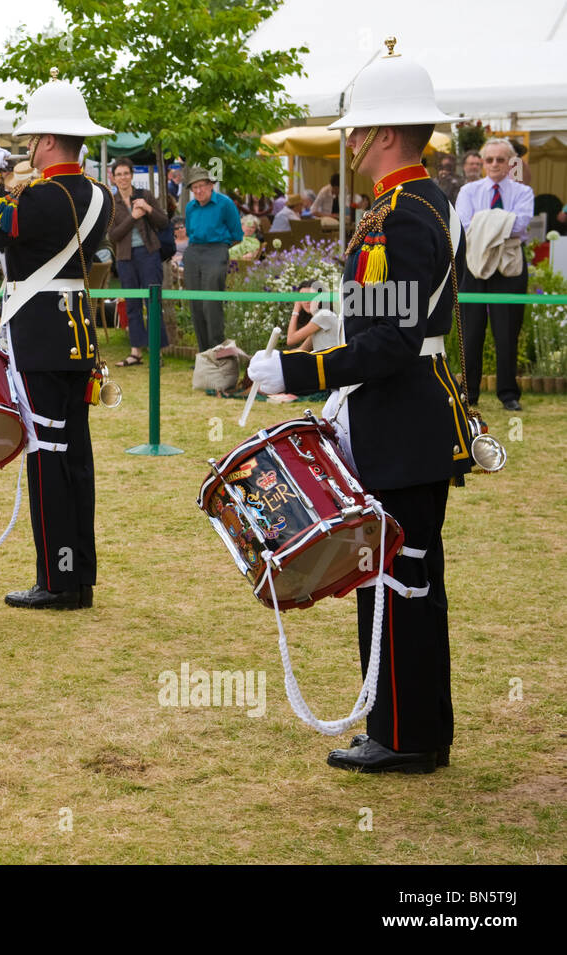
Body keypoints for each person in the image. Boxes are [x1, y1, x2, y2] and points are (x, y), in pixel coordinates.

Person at [248, 39, 471, 775]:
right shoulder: (414, 203)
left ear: (381, 134)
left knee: (399, 579)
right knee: (404, 575)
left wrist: (298, 366)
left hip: (402, 418)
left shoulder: (402, 214)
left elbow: (394, 346)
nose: (350, 144)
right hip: (405, 415)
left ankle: (403, 735)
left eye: (356, 131)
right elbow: (389, 326)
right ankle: (414, 728)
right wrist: (335, 329)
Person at [0, 69, 114, 610]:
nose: (27, 148)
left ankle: (57, 580)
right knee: (77, 456)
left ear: (46, 140)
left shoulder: (43, 197)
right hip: (75, 330)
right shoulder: (100, 195)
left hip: (39, 331)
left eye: (30, 140)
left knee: (47, 455)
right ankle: (79, 574)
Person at [455, 137, 534, 411]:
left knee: (507, 333)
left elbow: (522, 225)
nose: (494, 164)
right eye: (489, 159)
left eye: (501, 159)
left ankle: (508, 394)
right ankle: (469, 393)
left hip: (509, 269)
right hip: (474, 266)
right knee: (471, 333)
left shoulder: (523, 193)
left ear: (511, 162)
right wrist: (500, 222)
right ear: (483, 162)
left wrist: (483, 222)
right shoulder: (468, 191)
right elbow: (465, 226)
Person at [108, 155, 168, 367]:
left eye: (126, 173)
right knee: (132, 305)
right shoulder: (111, 203)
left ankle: (157, 352)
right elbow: (113, 236)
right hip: (126, 258)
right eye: (118, 174)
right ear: (113, 178)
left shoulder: (145, 195)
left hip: (149, 254)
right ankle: (136, 352)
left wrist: (148, 208)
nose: (123, 178)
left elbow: (163, 222)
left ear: (132, 176)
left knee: (152, 303)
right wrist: (133, 216)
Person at [182, 165, 241, 351]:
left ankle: (217, 351)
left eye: (202, 186)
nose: (198, 191)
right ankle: (203, 353)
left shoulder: (225, 204)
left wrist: (220, 249)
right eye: (194, 187)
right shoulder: (190, 207)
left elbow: (237, 235)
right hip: (194, 252)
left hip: (217, 250)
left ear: (210, 185)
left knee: (211, 304)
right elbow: (190, 231)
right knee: (196, 303)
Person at [285, 278, 339, 353]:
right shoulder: (318, 322)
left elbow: (290, 340)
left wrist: (295, 310)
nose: (306, 301)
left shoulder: (323, 315)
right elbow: (301, 350)